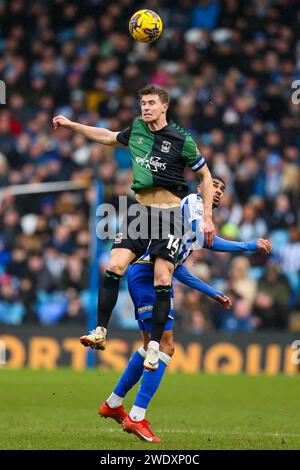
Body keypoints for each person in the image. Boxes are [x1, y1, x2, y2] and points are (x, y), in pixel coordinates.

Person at [97, 176, 271, 442]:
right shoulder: (193, 203)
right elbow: (209, 241)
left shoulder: (190, 228)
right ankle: (136, 416)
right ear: (201, 187)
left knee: (149, 347)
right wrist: (248, 246)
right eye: (214, 185)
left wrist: (211, 292)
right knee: (165, 347)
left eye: (222, 189)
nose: (218, 191)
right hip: (146, 276)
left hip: (144, 275)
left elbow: (178, 270)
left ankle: (113, 403)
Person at [53, 85, 215, 370]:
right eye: (142, 103)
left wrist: (208, 217)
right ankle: (100, 331)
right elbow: (107, 137)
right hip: (139, 211)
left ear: (165, 107)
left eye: (151, 103)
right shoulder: (137, 129)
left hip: (169, 215)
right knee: (114, 265)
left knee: (162, 278)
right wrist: (72, 125)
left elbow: (205, 175)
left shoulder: (181, 139)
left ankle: (153, 345)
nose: (146, 107)